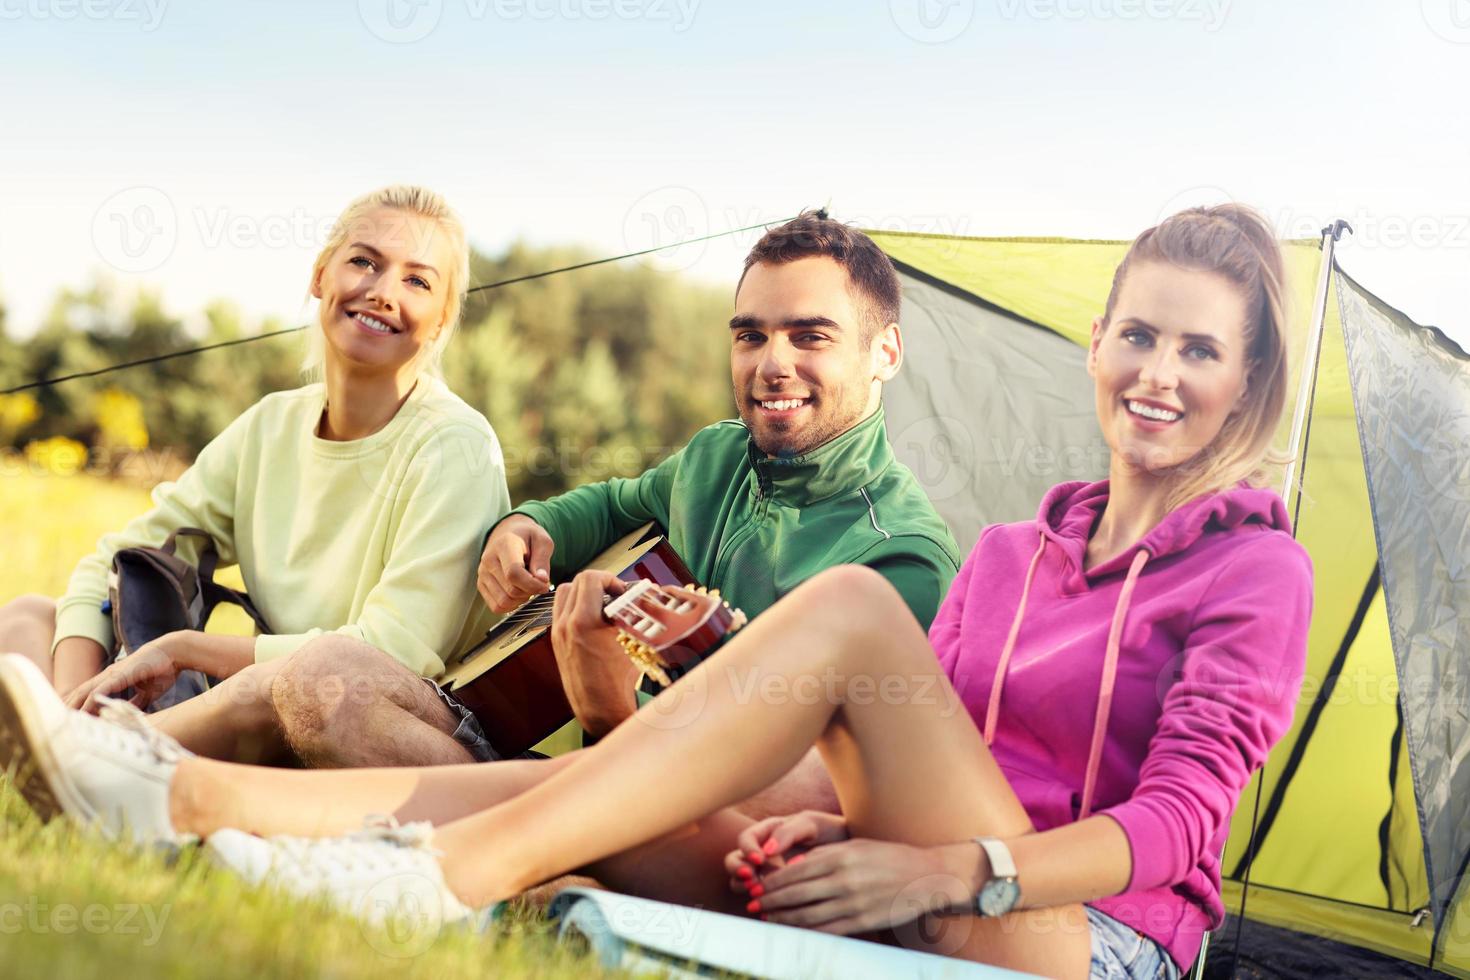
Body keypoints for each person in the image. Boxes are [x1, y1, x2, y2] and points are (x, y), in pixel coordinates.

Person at [0, 204, 1313, 979]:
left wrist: (944, 866)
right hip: (907, 883)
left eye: (1199, 348)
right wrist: (820, 827)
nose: (1156, 368)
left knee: (847, 609)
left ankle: (438, 878)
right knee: (579, 788)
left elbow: (1178, 829)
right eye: (1136, 331)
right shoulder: (1004, 557)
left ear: (1245, 384)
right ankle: (178, 796)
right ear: (1095, 343)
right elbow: (888, 760)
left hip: (1070, 938)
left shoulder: (1256, 569)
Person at [254, 211, 961, 779]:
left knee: (325, 703)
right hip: (583, 773)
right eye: (750, 336)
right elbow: (615, 506)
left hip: (693, 821)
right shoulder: (717, 456)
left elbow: (827, 786)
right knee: (325, 682)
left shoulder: (902, 558)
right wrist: (529, 525)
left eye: (811, 337)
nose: (773, 364)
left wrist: (614, 710)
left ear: (885, 354)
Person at [0, 185, 509, 763]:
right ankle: (76, 744)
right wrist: (77, 692)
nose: (382, 291)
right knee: (26, 619)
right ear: (321, 275)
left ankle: (83, 757)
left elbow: (391, 653)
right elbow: (114, 558)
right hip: (258, 701)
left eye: (418, 281)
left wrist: (187, 648)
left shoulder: (455, 446)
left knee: (283, 683)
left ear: (442, 319)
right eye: (364, 261)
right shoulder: (271, 425)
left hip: (378, 721)